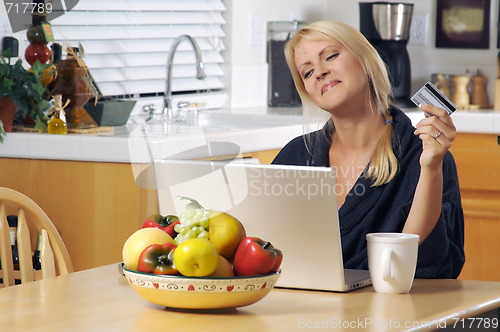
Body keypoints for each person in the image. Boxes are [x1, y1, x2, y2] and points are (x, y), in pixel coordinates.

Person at [272, 21, 464, 279]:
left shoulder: (423, 157)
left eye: (330, 56)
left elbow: (415, 265)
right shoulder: (294, 156)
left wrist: (430, 167)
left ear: (365, 59)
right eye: (307, 73)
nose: (319, 72)